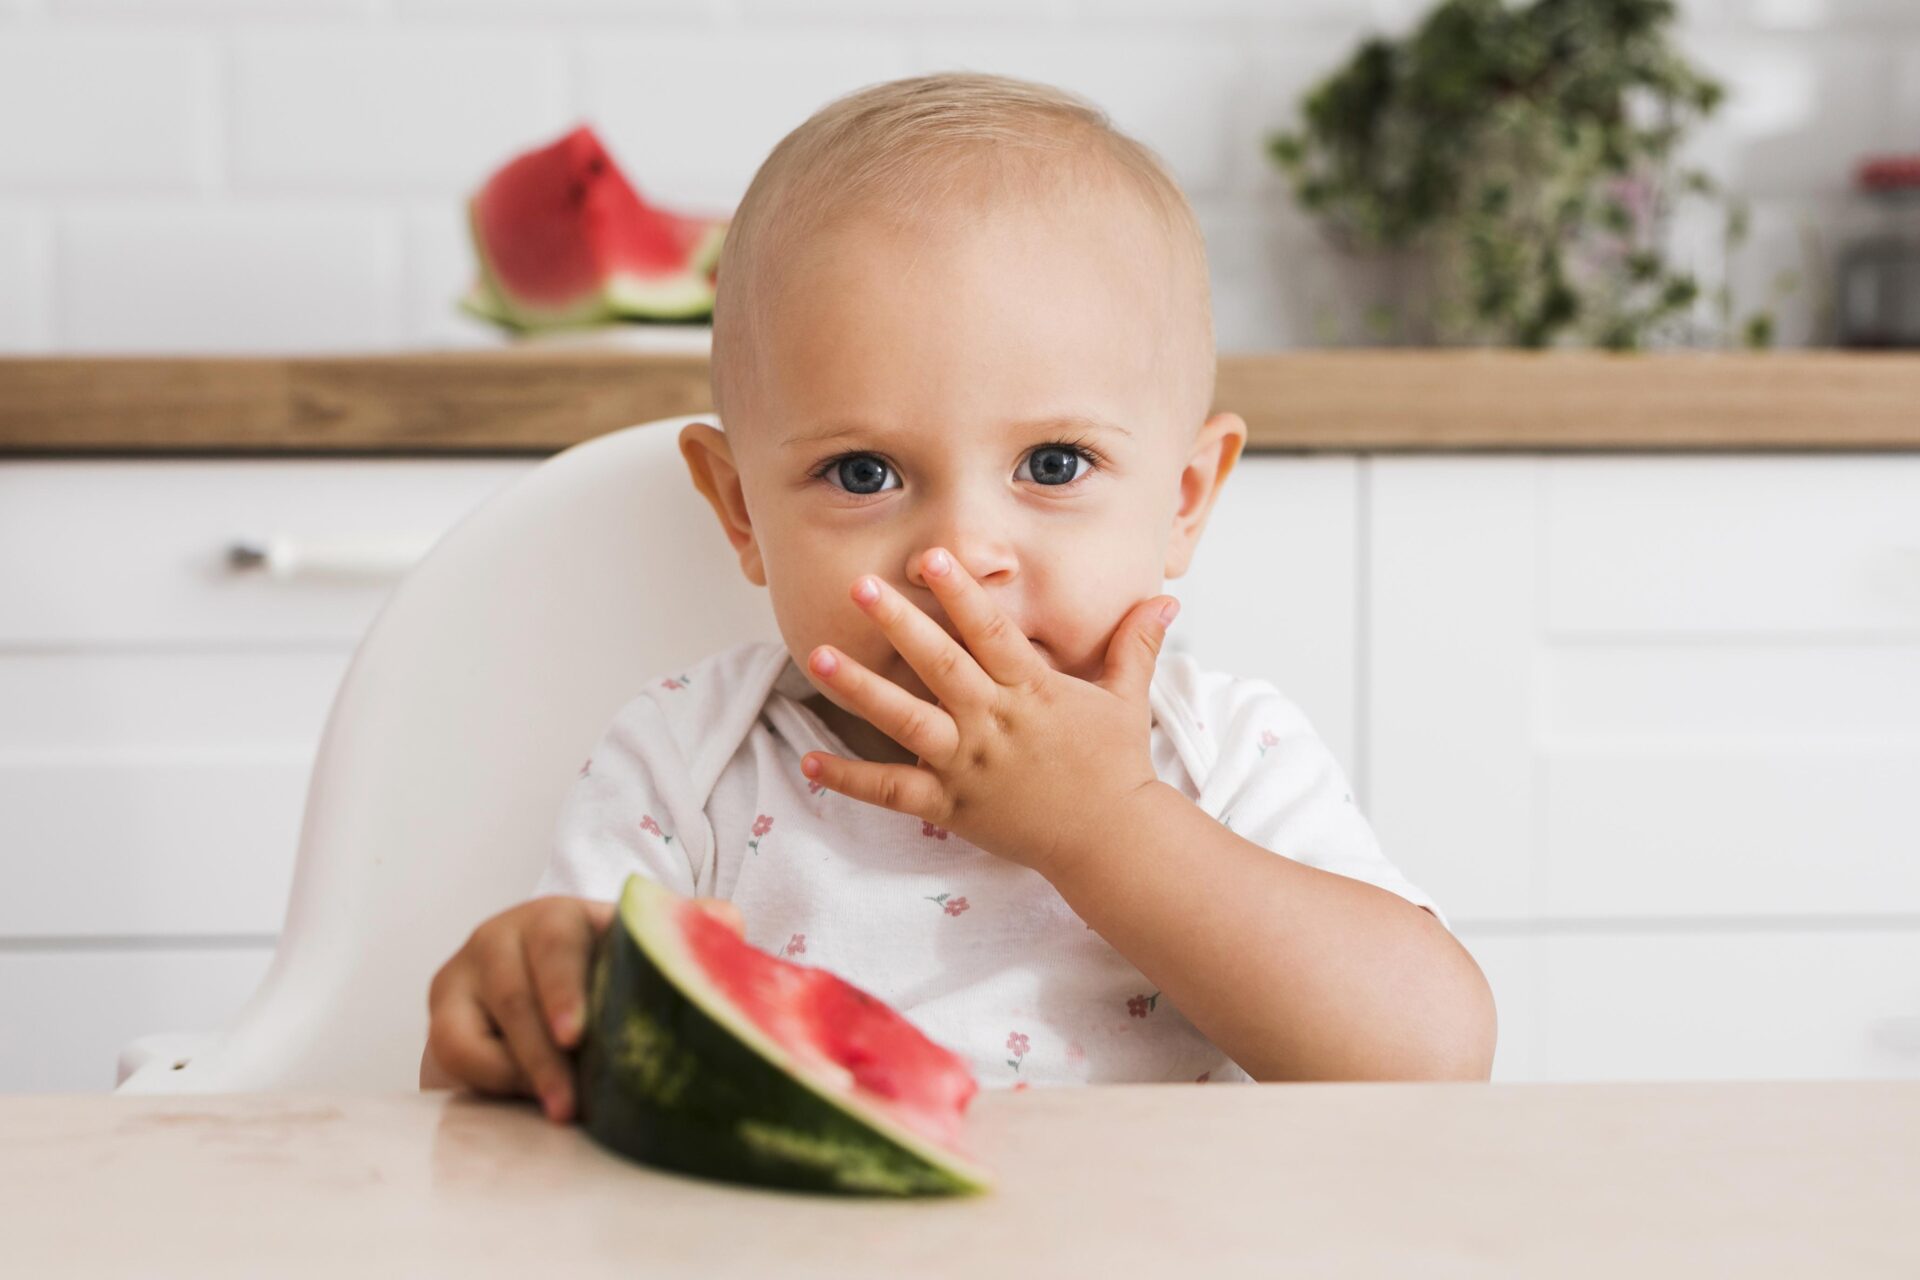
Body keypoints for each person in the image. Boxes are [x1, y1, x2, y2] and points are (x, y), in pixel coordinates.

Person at [422, 71, 1497, 1123]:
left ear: (1183, 500)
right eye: (863, 473)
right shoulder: (689, 758)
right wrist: (511, 1007)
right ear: (741, 511)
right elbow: (512, 1100)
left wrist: (1109, 825)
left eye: (1056, 463)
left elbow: (1432, 1058)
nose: (959, 554)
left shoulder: (1219, 751)